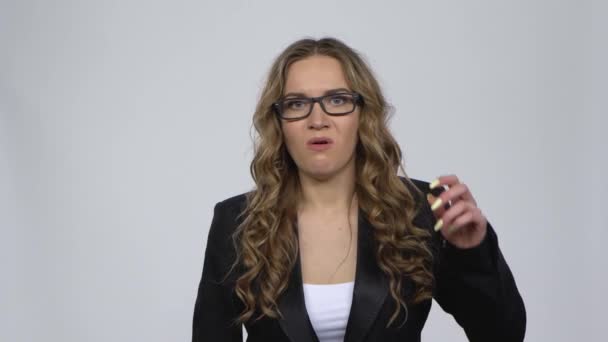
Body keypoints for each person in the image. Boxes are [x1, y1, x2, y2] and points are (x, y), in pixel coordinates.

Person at [192, 37, 526, 342]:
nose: (317, 119)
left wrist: (471, 253)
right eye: (296, 104)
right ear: (278, 121)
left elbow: (501, 334)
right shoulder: (237, 222)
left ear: (363, 114)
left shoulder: (420, 211)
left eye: (337, 100)